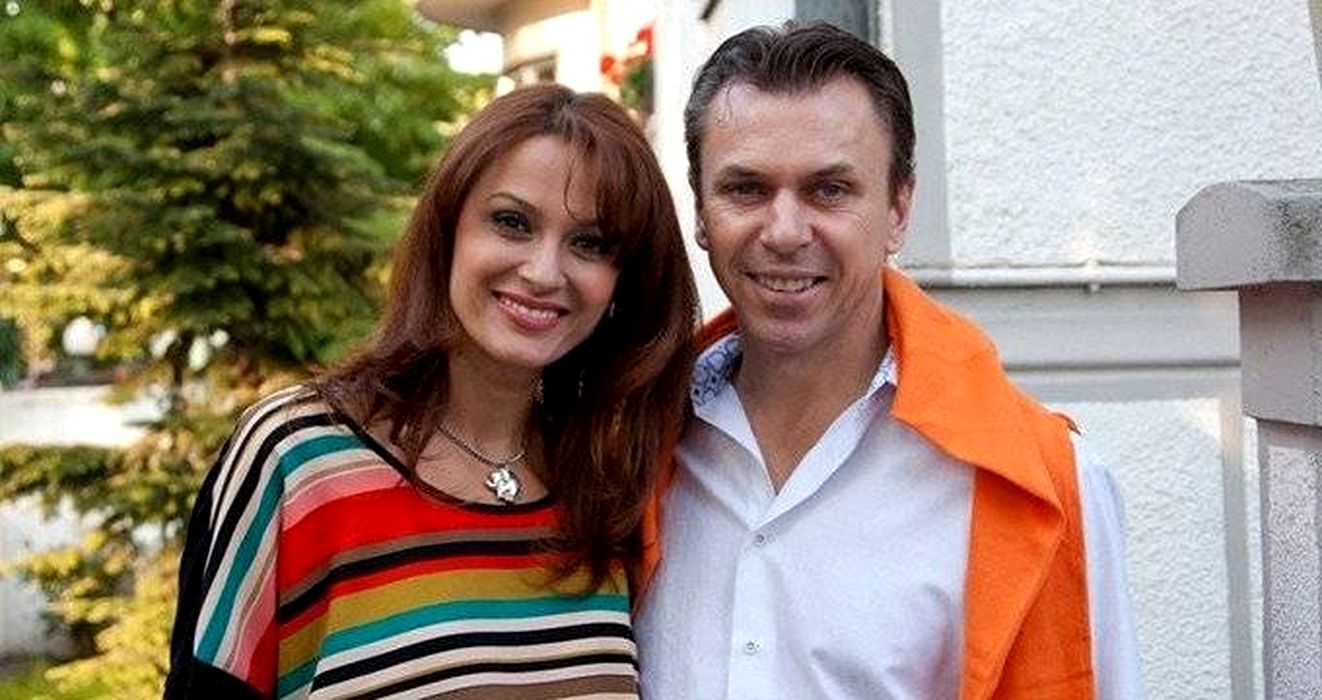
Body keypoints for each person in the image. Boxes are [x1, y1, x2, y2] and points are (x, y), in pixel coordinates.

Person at [634, 21, 1144, 699]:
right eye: (746, 189)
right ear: (701, 211)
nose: (784, 232)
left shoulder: (1047, 484)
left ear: (899, 208)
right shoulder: (629, 451)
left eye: (829, 190)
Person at [165, 83, 698, 699]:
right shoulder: (299, 459)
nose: (543, 271)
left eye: (591, 243)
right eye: (512, 222)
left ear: (624, 281)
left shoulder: (604, 486)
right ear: (448, 229)